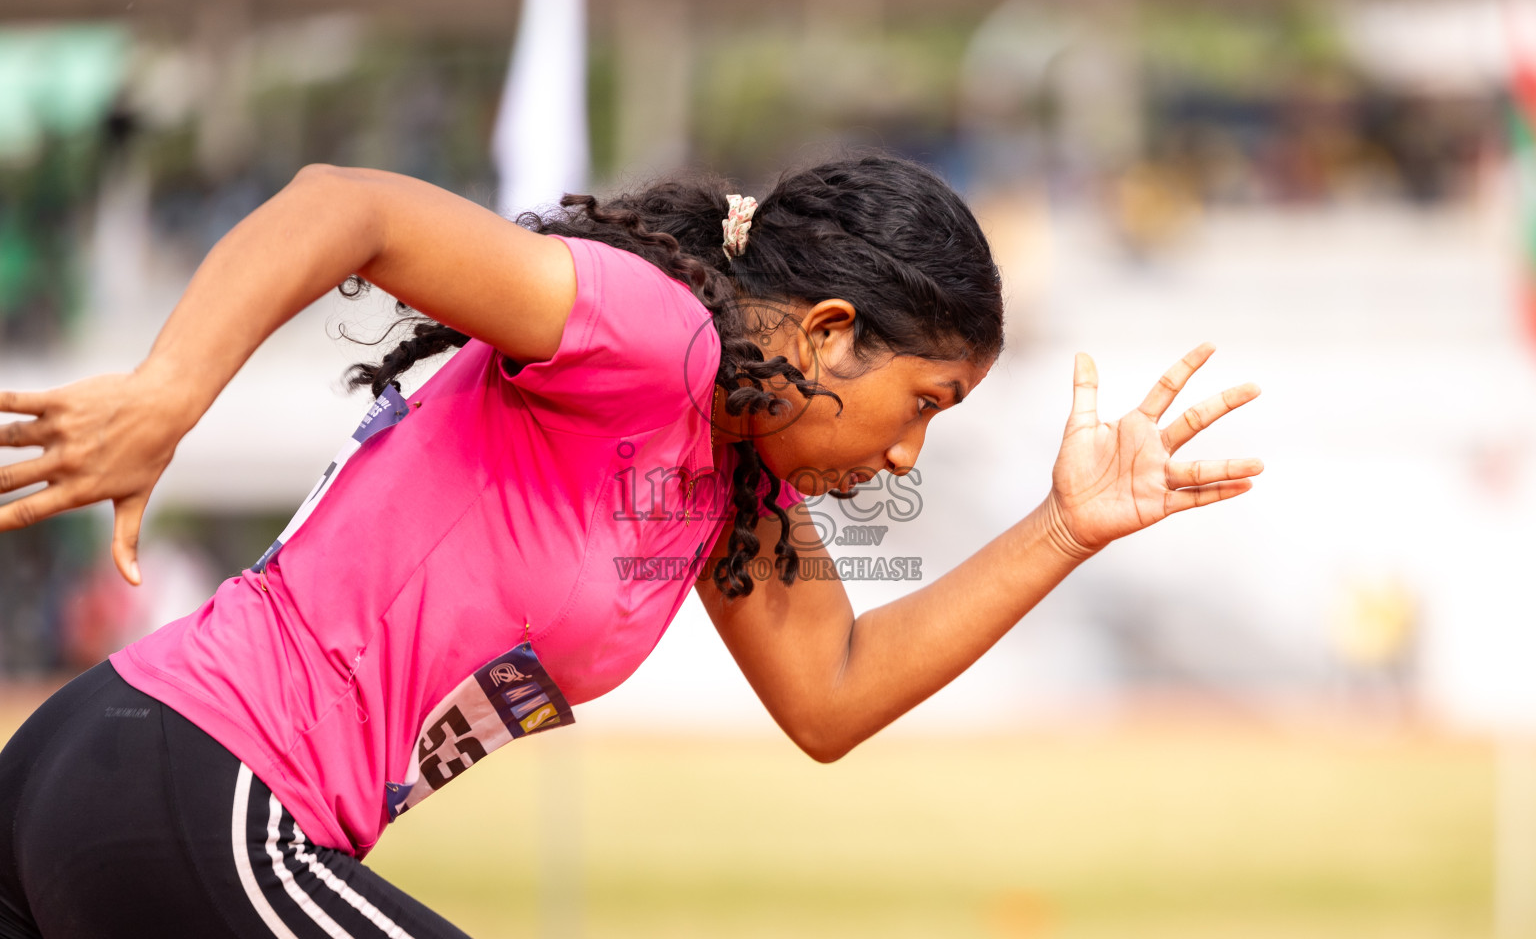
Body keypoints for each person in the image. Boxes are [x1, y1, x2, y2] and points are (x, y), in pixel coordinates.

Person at [0, 154, 1261, 938]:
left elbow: (832, 694)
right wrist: (165, 396)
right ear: (827, 334)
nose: (905, 457)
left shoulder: (723, 487)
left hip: (120, 776)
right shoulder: (653, 338)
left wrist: (1063, 528)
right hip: (201, 780)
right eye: (922, 402)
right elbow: (350, 207)